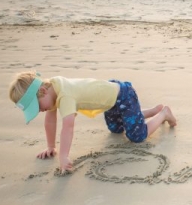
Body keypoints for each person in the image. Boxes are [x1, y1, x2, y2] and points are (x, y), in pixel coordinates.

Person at [9, 72, 176, 174]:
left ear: (43, 91)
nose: (38, 111)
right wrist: (51, 147)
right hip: (110, 100)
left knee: (136, 136)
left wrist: (64, 156)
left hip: (122, 95)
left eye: (37, 106)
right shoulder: (51, 88)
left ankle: (163, 114)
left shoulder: (65, 95)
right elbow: (50, 122)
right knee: (115, 129)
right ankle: (150, 112)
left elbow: (68, 127)